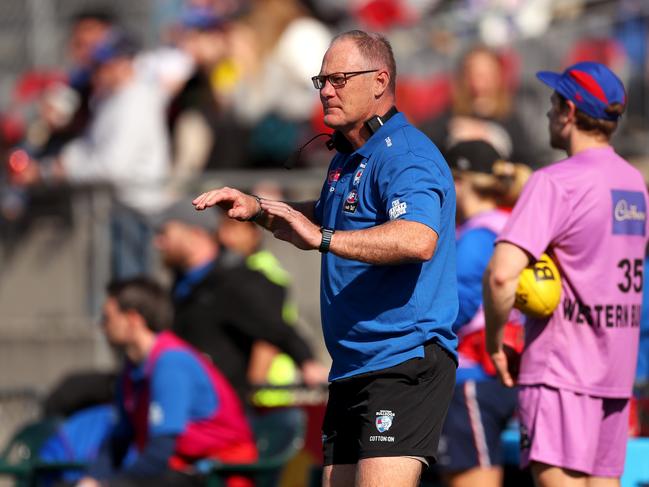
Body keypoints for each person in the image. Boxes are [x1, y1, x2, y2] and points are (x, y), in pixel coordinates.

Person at [193, 30, 458, 487]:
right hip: (353, 364)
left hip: (402, 360)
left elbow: (418, 238)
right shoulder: (347, 157)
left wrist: (323, 237)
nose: (327, 91)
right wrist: (258, 209)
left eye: (339, 79)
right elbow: (323, 222)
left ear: (380, 81)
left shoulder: (407, 155)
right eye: (322, 81)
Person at [483, 61, 648, 487]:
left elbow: (502, 276)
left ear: (569, 112)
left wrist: (496, 342)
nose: (547, 114)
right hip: (615, 373)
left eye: (553, 103)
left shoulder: (555, 182)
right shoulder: (635, 184)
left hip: (562, 371)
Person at [77, 277, 257, 487]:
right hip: (179, 471)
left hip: (218, 475)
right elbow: (119, 439)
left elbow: (160, 453)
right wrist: (91, 479)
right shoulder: (132, 369)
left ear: (133, 319)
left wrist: (112, 484)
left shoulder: (170, 362)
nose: (101, 326)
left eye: (107, 318)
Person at [153, 198, 328, 402]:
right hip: (188, 405)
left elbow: (276, 328)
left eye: (165, 233)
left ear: (195, 233)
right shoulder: (181, 282)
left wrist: (306, 361)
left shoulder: (235, 280)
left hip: (228, 411)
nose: (157, 243)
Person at [436, 140, 528, 487]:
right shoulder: (513, 225)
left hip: (473, 377)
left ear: (458, 182)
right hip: (511, 371)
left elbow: (452, 311)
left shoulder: (474, 239)